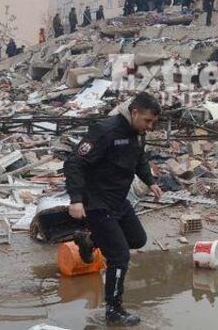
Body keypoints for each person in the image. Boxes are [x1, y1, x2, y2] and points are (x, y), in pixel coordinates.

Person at [65, 93, 164, 326]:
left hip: (119, 200)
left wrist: (151, 181)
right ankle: (114, 309)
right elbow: (74, 163)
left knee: (138, 239)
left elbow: (139, 160)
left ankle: (90, 239)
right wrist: (76, 199)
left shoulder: (139, 135)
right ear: (134, 112)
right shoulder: (106, 131)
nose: (150, 127)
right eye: (147, 121)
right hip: (97, 202)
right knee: (120, 256)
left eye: (153, 123)